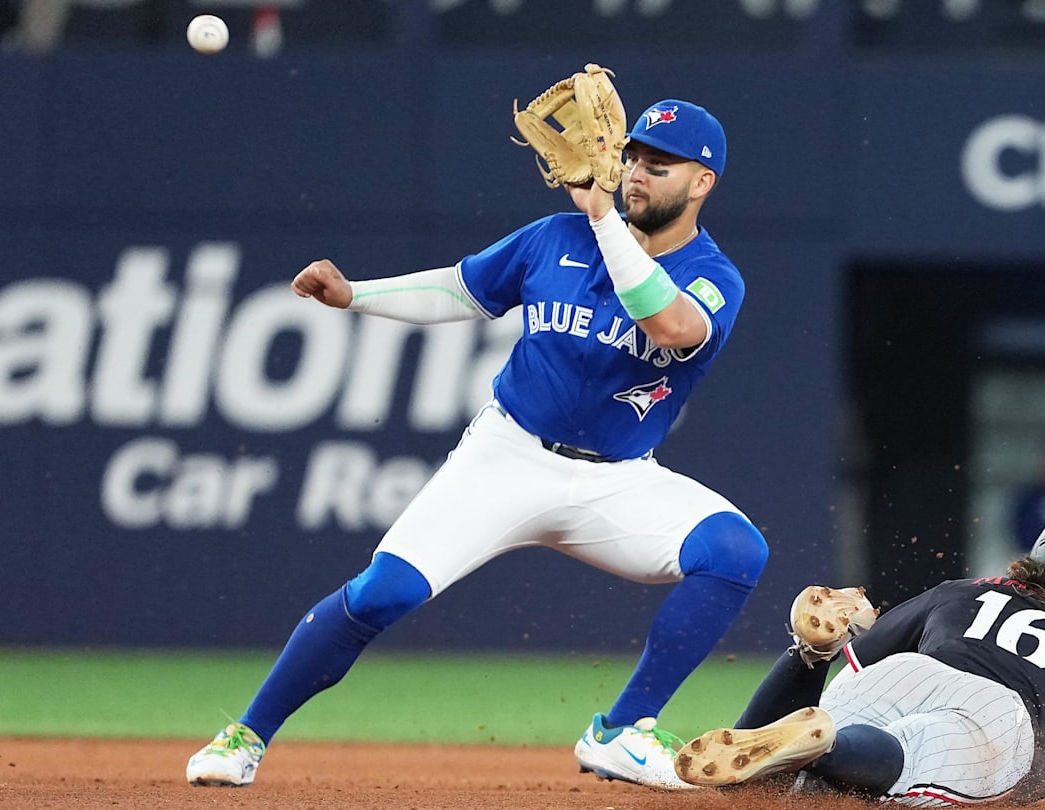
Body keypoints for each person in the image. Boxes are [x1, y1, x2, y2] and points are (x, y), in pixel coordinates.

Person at [185, 95, 768, 792]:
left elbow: (668, 325)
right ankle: (245, 735)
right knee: (381, 594)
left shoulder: (713, 276)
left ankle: (621, 732)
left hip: (618, 479)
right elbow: (461, 291)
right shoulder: (557, 236)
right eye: (634, 156)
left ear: (702, 183)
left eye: (661, 164)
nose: (638, 172)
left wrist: (605, 219)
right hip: (509, 455)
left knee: (736, 551)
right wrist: (355, 295)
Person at [674, 507, 1045, 805]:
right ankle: (829, 744)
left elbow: (860, 663)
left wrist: (820, 651)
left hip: (906, 674)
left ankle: (804, 661)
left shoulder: (962, 591)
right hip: (996, 718)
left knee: (784, 772)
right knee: (904, 759)